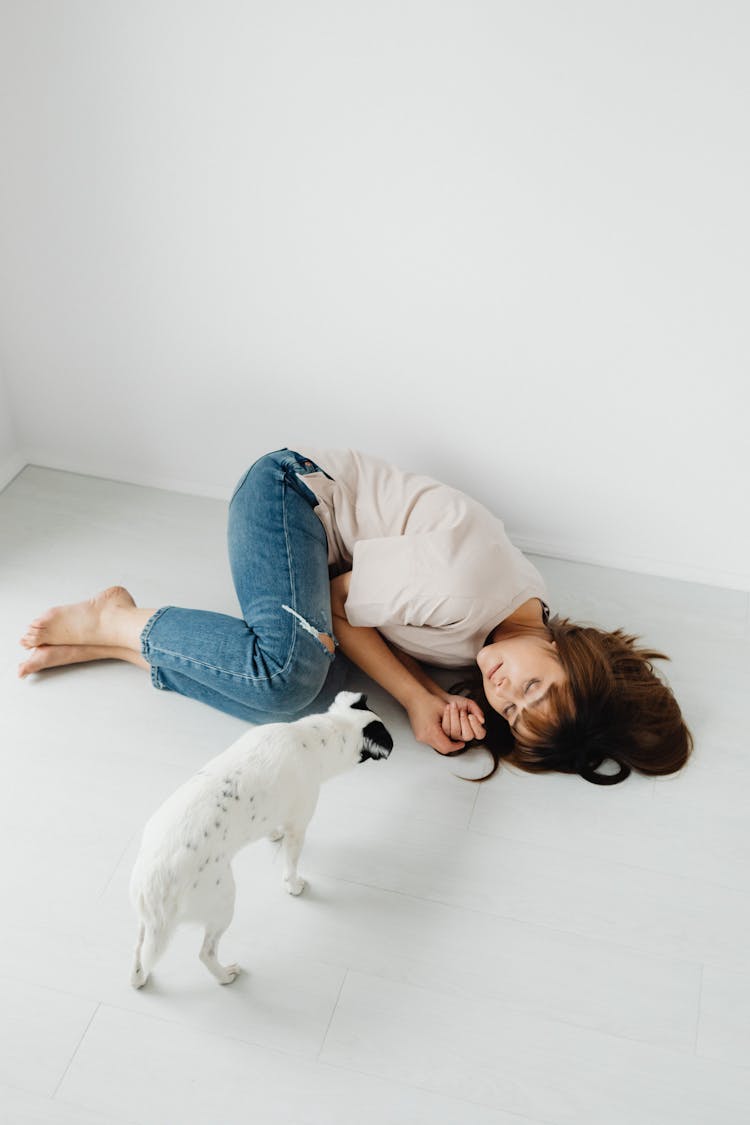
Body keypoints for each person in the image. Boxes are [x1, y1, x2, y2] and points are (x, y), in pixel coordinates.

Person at [17, 447, 693, 784]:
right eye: (534, 685)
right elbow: (341, 600)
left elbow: (392, 628)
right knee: (287, 676)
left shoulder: (519, 620)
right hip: (288, 499)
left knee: (295, 702)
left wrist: (437, 703)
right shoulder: (467, 587)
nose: (504, 690)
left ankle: (133, 646)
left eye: (513, 711)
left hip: (321, 549)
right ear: (564, 649)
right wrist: (416, 695)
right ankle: (118, 619)